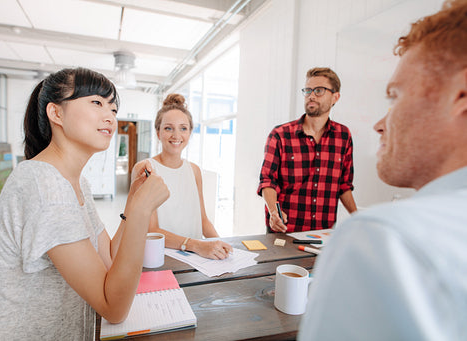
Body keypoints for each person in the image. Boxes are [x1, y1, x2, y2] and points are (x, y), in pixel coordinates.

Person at [298, 1, 467, 340]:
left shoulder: (381, 239)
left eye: (394, 96)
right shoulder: (282, 133)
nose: (379, 124)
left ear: (459, 96)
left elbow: (344, 182)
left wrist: (357, 219)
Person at [0, 68, 169, 340]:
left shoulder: (75, 182)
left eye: (113, 109)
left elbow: (109, 257)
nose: (110, 117)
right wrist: (141, 212)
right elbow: (114, 307)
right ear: (56, 113)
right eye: (97, 103)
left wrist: (133, 199)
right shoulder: (44, 184)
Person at [257, 67, 357, 233]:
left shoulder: (343, 136)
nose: (311, 96)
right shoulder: (280, 135)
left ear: (335, 97)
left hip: (323, 235)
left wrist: (358, 218)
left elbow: (344, 186)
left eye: (318, 91)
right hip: (285, 232)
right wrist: (274, 212)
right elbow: (268, 181)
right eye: (308, 90)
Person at [140, 93, 233, 260]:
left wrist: (222, 245)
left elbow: (203, 221)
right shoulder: (146, 168)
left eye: (183, 128)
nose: (176, 135)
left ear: (190, 132)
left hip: (197, 257)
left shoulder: (194, 170)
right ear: (158, 132)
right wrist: (197, 245)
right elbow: (151, 229)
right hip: (162, 257)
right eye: (168, 128)